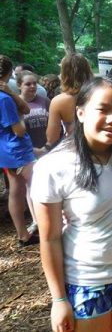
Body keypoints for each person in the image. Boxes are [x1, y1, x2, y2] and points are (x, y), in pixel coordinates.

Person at [32, 76, 112, 332]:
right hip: (86, 280)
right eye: (103, 109)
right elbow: (50, 238)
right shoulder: (53, 167)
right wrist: (59, 299)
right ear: (80, 112)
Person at [0, 55, 38, 246]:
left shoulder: (6, 96)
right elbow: (19, 130)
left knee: (17, 190)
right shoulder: (4, 100)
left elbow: (25, 109)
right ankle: (44, 228)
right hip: (17, 151)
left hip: (5, 150)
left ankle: (24, 235)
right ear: (9, 73)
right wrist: (21, 117)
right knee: (39, 186)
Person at [46, 53, 93, 149]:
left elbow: (52, 137)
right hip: (99, 146)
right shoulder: (99, 93)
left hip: (75, 147)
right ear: (88, 70)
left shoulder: (58, 101)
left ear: (64, 73)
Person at [18, 70, 51, 156]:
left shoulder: (45, 101)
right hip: (25, 153)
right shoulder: (14, 103)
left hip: (47, 150)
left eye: (34, 83)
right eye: (28, 84)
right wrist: (32, 150)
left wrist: (47, 147)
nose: (32, 86)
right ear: (19, 86)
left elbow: (54, 125)